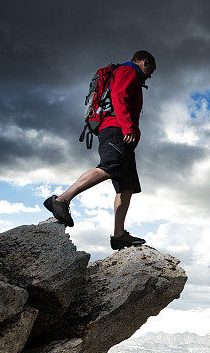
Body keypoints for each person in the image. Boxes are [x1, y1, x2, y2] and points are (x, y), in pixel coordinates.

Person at [44, 50, 156, 250]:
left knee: (126, 185)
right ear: (145, 61)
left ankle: (119, 235)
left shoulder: (132, 76)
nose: (150, 75)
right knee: (109, 166)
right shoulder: (128, 71)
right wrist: (128, 128)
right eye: (151, 70)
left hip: (121, 132)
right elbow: (119, 96)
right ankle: (61, 200)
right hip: (116, 129)